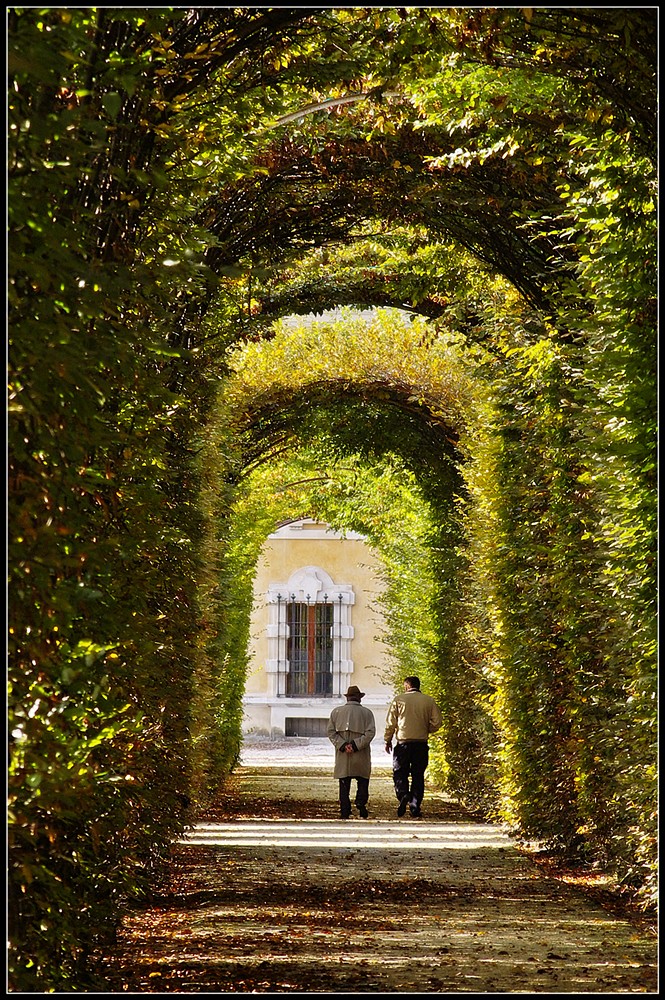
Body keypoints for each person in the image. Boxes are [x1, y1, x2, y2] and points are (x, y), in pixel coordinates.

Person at [384, 675, 442, 818]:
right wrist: (426, 729)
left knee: (399, 772)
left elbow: (391, 723)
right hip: (420, 744)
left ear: (406, 686)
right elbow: (437, 722)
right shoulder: (429, 701)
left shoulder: (399, 700)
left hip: (403, 743)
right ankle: (415, 805)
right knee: (418, 775)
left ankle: (403, 794)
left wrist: (388, 740)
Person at [327, 684, 376, 819]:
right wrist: (355, 745)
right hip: (361, 752)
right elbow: (370, 733)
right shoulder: (367, 713)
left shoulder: (336, 712)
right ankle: (360, 803)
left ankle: (345, 809)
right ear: (359, 698)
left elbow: (331, 732)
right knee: (363, 779)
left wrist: (343, 745)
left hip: (343, 753)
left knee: (344, 781)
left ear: (348, 698)